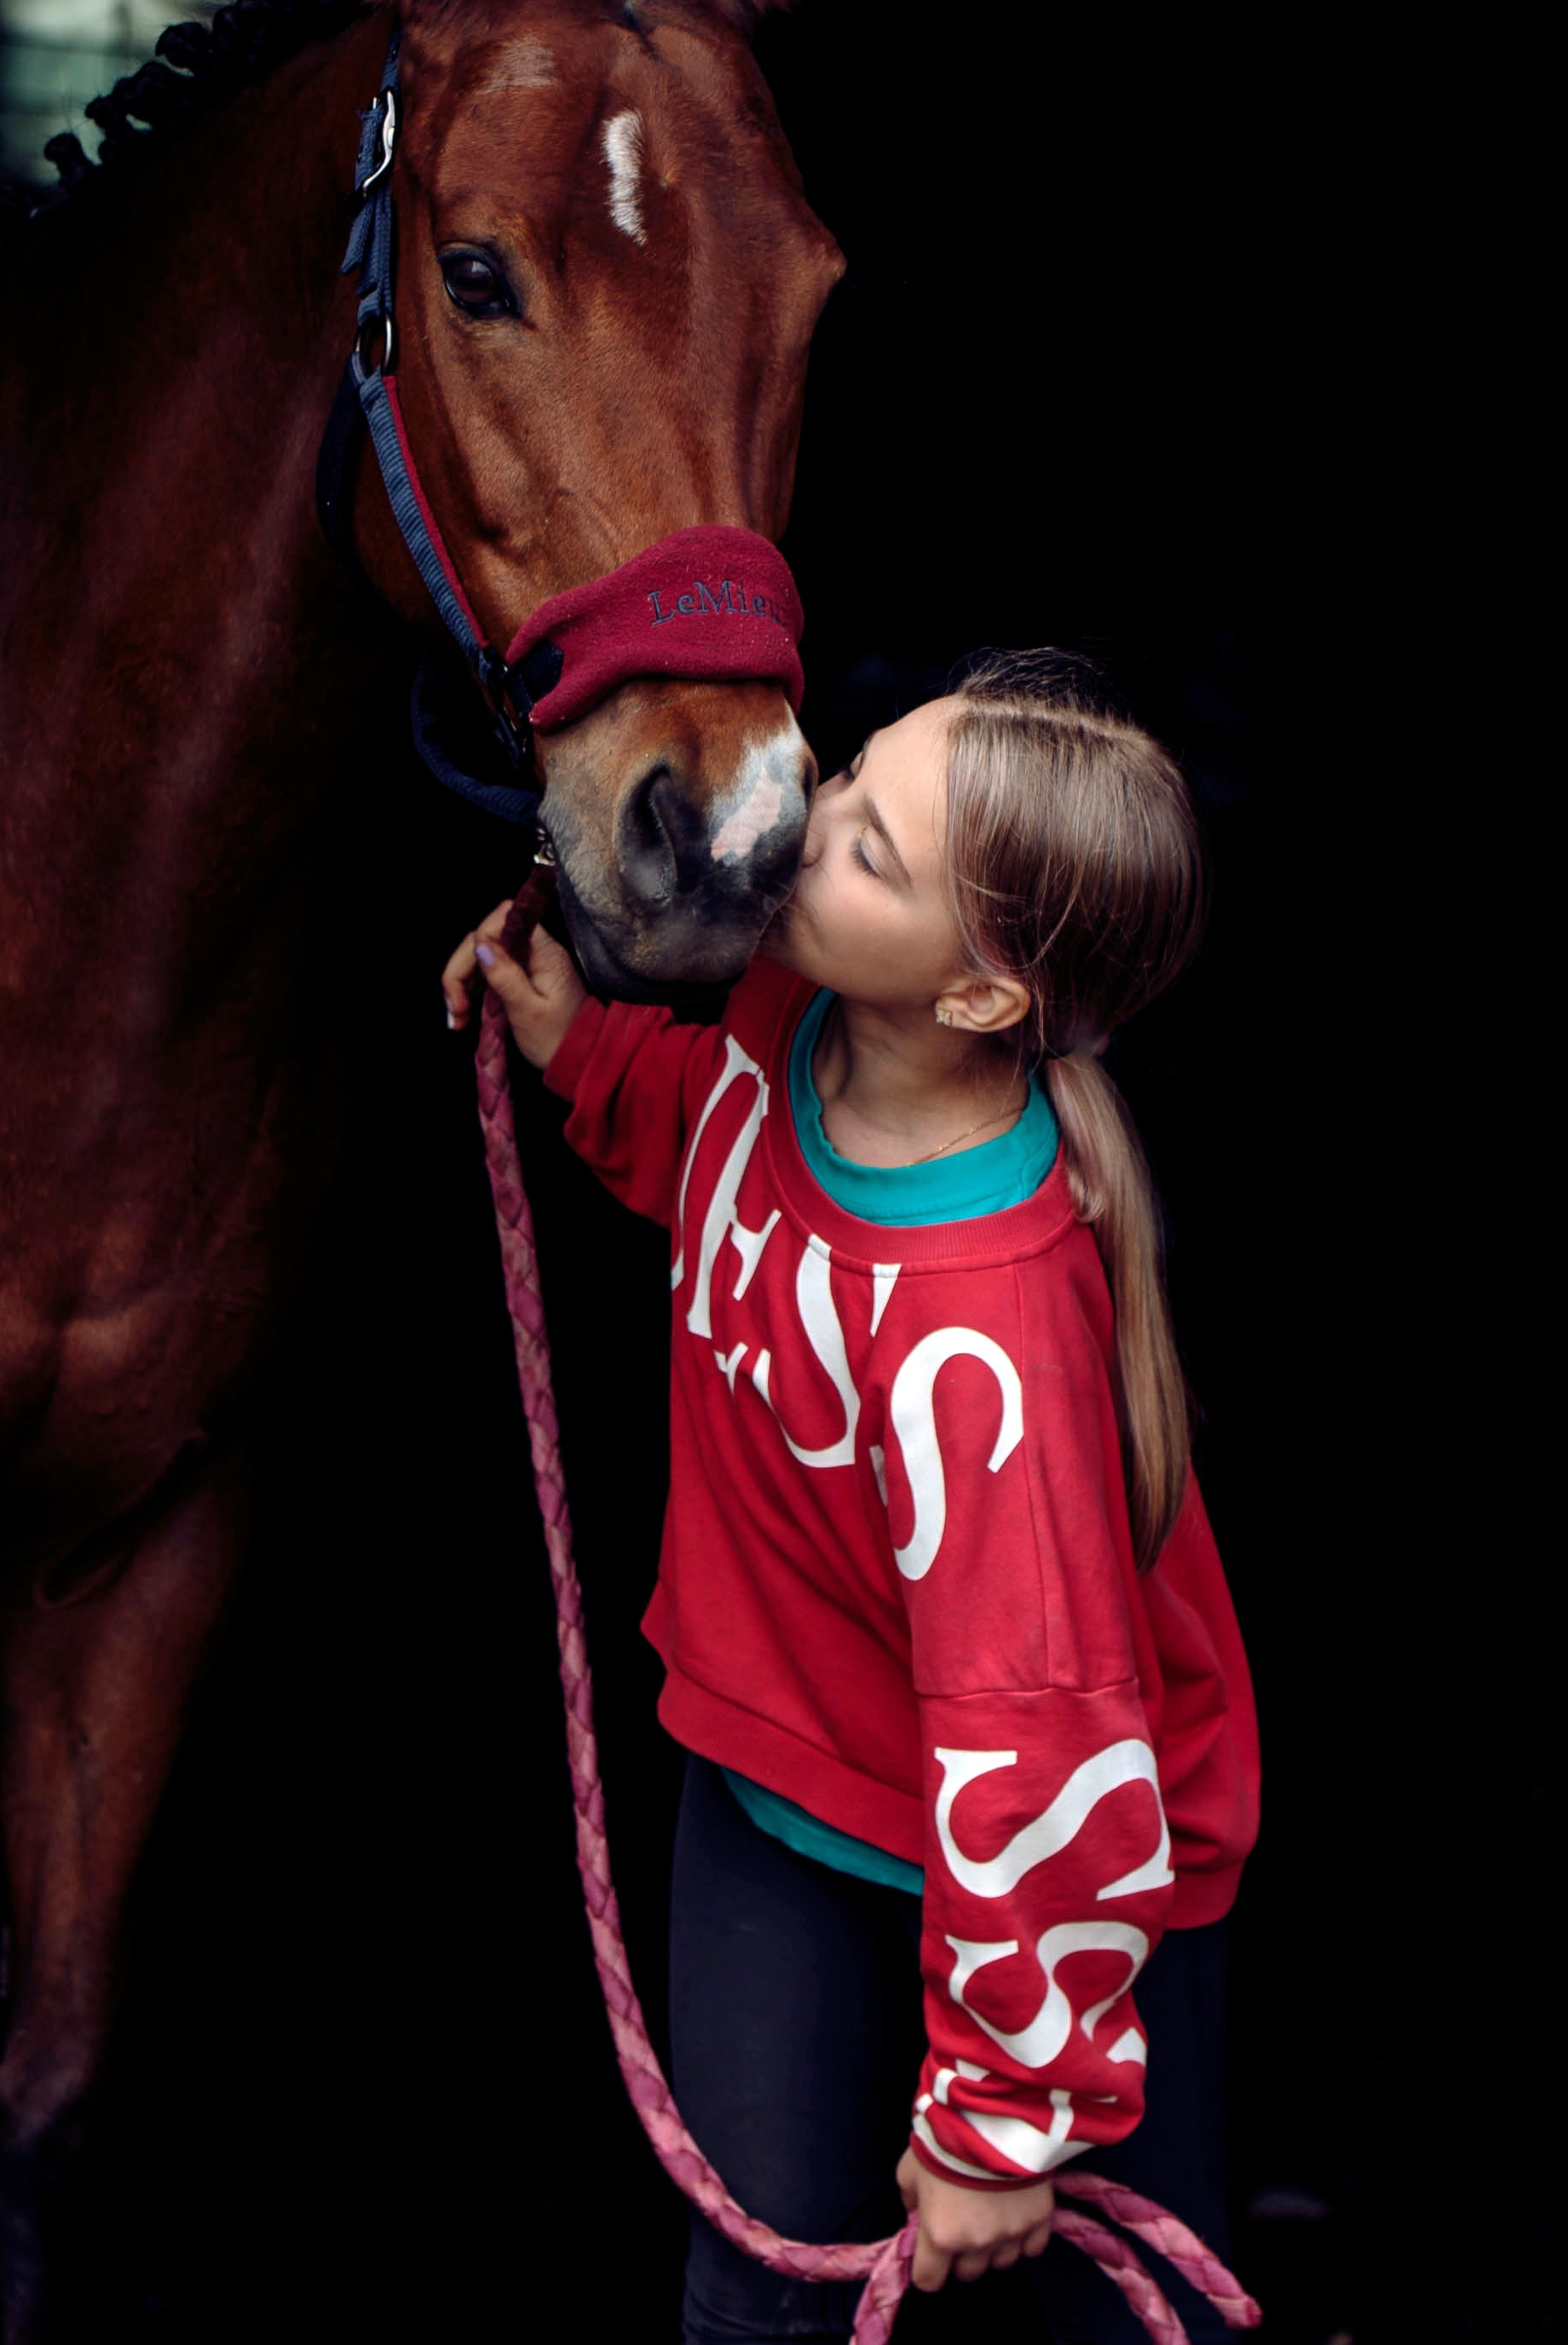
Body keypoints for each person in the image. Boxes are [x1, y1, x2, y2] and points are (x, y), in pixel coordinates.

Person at [442, 651, 1257, 2342]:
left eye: (871, 851)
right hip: (784, 1778)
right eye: (845, 780)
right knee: (752, 2296)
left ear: (974, 996)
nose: (800, 831)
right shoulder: (783, 1021)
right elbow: (720, 1150)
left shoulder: (984, 1339)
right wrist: (581, 1048)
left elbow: (1038, 1735)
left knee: (1089, 2316)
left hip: (1062, 1875)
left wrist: (1001, 2116)